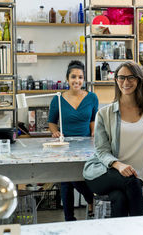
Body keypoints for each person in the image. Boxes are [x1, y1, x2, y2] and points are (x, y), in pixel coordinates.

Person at [83, 61, 143, 217]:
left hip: (133, 178)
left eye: (131, 77)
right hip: (105, 172)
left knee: (120, 198)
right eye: (121, 77)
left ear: (139, 80)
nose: (126, 82)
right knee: (132, 182)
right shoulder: (105, 113)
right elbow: (101, 151)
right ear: (116, 80)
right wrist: (118, 165)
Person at [48, 60, 98, 221]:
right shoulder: (57, 98)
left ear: (84, 79)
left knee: (77, 177)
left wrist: (94, 133)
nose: (77, 80)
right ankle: (70, 218)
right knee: (66, 180)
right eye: (73, 77)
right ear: (67, 79)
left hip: (86, 146)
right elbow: (51, 122)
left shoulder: (92, 97)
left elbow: (92, 120)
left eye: (80, 77)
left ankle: (90, 200)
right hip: (65, 146)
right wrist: (55, 133)